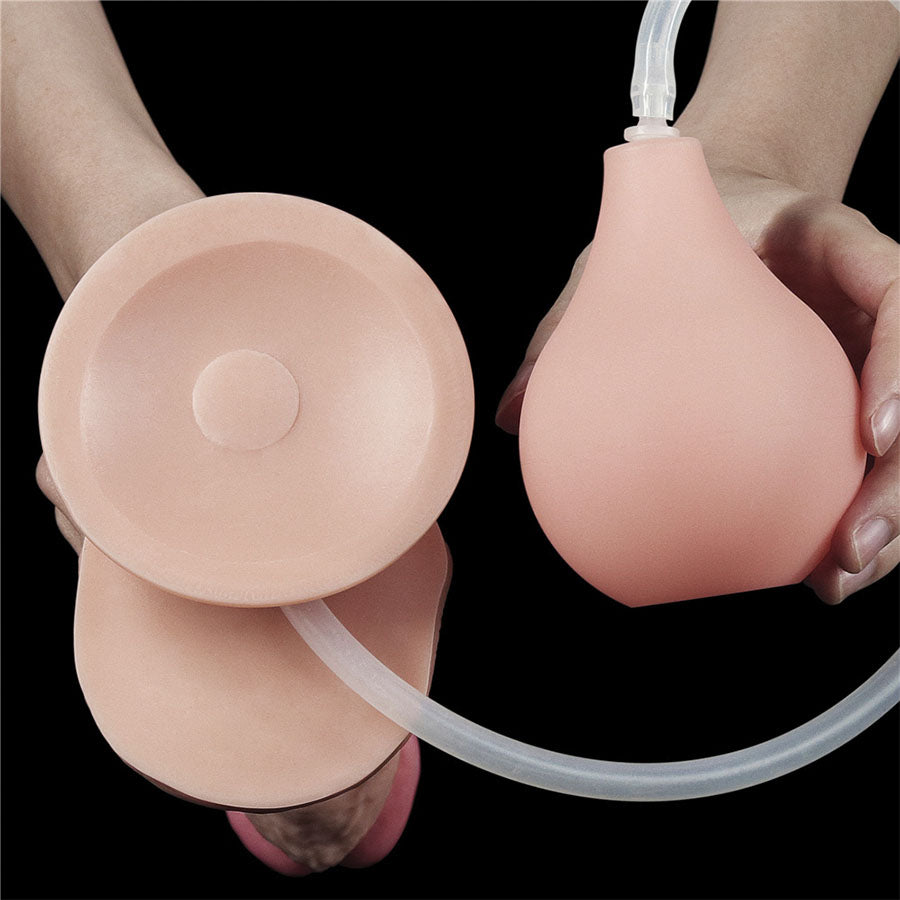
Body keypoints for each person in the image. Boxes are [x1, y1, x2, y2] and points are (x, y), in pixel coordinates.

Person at [2, 0, 897, 879]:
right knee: (257, 619)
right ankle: (269, 631)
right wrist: (131, 257)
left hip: (651, 398)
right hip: (187, 214)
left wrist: (758, 151)